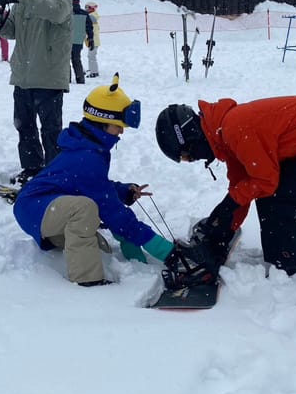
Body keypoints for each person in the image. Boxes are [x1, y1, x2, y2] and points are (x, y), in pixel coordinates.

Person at [155, 96, 296, 277]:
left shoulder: (235, 129)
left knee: (276, 198)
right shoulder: (225, 131)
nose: (192, 160)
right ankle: (282, 260)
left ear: (191, 137)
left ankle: (288, 267)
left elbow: (265, 182)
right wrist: (224, 227)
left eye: (187, 155)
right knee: (267, 192)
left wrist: (230, 204)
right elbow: (241, 184)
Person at [13, 74, 175, 286]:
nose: (121, 132)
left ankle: (66, 245)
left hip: (45, 207)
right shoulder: (88, 157)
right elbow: (108, 207)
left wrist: (124, 191)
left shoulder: (89, 147)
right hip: (34, 207)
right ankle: (88, 281)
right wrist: (163, 250)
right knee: (86, 209)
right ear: (103, 122)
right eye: (118, 126)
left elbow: (97, 187)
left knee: (99, 247)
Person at [0, 0, 72, 185]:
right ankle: (32, 167)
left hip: (49, 78)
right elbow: (11, 31)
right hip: (23, 77)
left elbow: (56, 13)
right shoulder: (24, 2)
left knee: (51, 132)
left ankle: (54, 174)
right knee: (25, 127)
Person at [69, 0, 93, 84]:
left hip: (66, 40)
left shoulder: (66, 13)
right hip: (78, 40)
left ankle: (67, 79)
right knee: (76, 59)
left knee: (66, 61)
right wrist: (90, 39)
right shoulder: (84, 14)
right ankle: (80, 78)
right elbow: (89, 27)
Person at [84, 1, 100, 78]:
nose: (86, 9)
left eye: (87, 8)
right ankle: (91, 69)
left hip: (94, 40)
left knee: (91, 56)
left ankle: (94, 72)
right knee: (90, 56)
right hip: (93, 40)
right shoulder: (92, 15)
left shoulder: (91, 17)